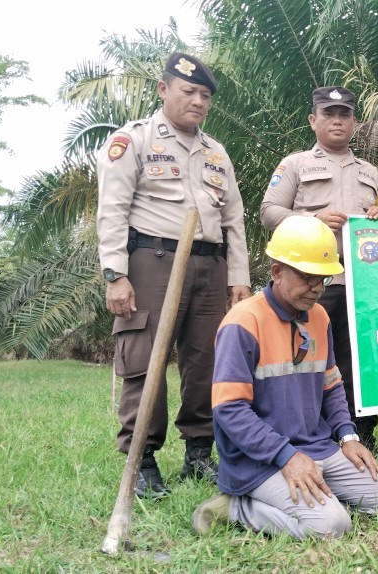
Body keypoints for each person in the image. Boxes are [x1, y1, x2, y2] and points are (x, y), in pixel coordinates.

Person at [97, 52, 251, 498]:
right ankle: (141, 460)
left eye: (205, 95)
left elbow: (234, 219)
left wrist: (237, 277)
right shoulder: (134, 140)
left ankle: (199, 453)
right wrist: (115, 274)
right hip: (153, 261)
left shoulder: (216, 152)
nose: (198, 101)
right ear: (164, 90)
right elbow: (112, 210)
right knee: (144, 360)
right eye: (189, 91)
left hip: (210, 264)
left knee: (207, 359)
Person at [191, 216, 378, 539]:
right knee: (332, 525)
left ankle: (313, 488)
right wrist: (287, 457)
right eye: (307, 278)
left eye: (323, 280)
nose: (316, 289)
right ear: (276, 272)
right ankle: (237, 507)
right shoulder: (243, 322)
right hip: (259, 460)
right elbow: (229, 410)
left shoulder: (319, 316)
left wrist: (348, 437)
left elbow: (331, 386)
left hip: (316, 448)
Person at [260, 86, 378, 452]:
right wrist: (311, 219)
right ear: (313, 120)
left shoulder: (371, 172)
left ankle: (362, 434)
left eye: (344, 114)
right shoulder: (295, 164)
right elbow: (269, 211)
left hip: (362, 284)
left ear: (354, 122)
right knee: (309, 357)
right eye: (329, 113)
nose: (337, 120)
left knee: (359, 364)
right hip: (315, 283)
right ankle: (310, 431)